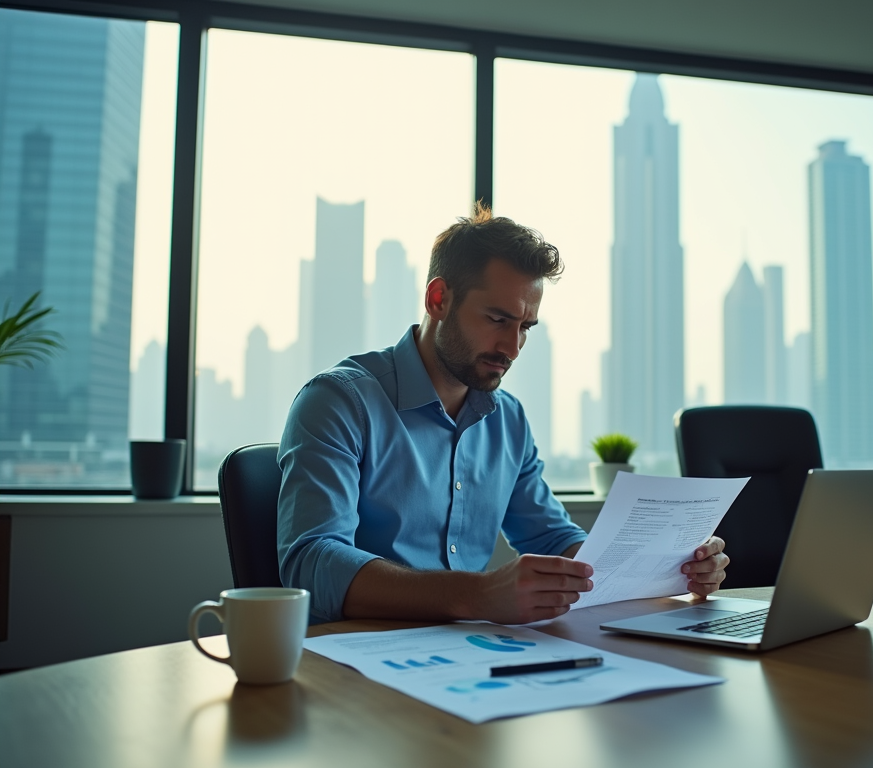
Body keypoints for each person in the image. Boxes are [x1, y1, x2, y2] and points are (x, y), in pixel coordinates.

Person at [277, 204, 729, 624]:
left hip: (474, 657)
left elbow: (552, 539)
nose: (512, 348)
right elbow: (312, 562)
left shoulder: (507, 420)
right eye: (497, 319)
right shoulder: (339, 402)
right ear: (438, 299)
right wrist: (475, 595)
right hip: (358, 663)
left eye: (525, 327)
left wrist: (668, 567)